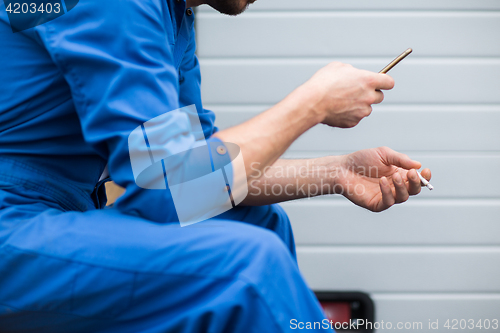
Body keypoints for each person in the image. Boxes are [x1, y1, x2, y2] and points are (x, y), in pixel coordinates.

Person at [0, 0, 431, 331]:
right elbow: (168, 191)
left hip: (53, 215)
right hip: (12, 224)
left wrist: (335, 172)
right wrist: (313, 103)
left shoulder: (173, 19)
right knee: (247, 269)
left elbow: (195, 179)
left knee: (259, 224)